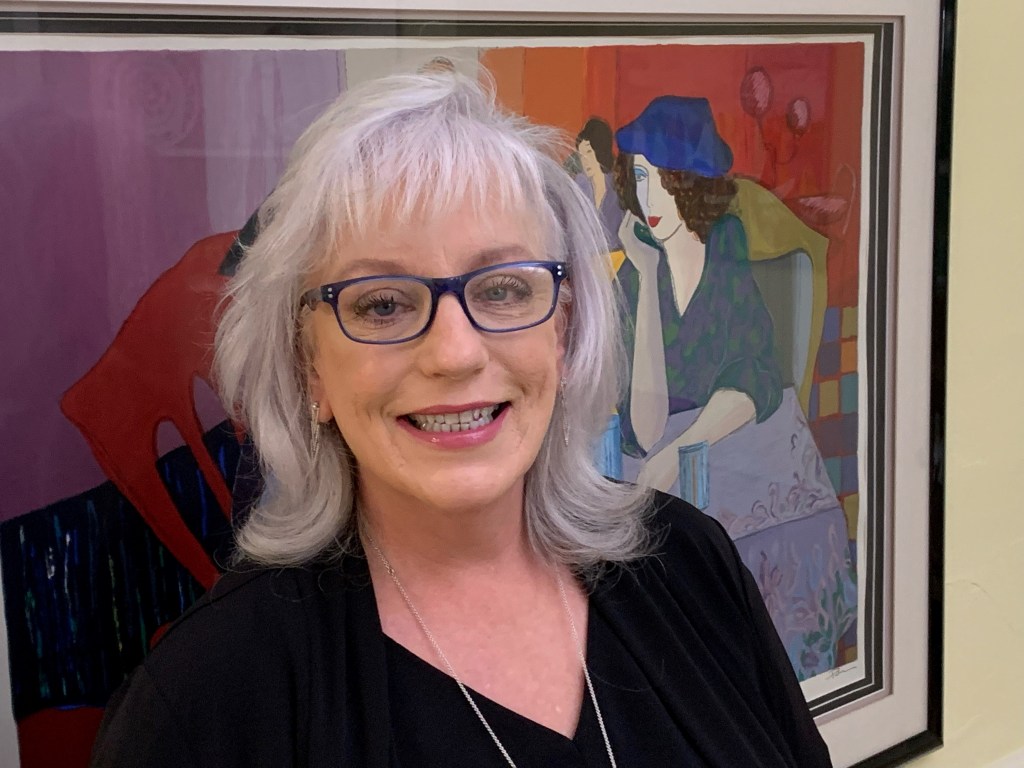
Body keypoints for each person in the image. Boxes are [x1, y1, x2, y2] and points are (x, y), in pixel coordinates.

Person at [90, 72, 831, 767]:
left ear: (564, 332)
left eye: (504, 289)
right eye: (383, 303)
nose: (454, 353)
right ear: (309, 365)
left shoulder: (689, 562)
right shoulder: (205, 701)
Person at [613, 95, 784, 492]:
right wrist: (648, 276)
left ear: (691, 182)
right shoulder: (634, 273)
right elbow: (645, 434)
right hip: (648, 482)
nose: (650, 199)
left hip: (728, 462)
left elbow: (755, 375)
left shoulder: (726, 243)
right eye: (641, 176)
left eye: (665, 179)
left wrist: (682, 450)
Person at [574, 117, 624, 252]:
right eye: (581, 155)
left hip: (617, 258)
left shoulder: (618, 185)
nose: (585, 160)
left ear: (600, 150)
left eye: (589, 152)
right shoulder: (580, 185)